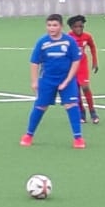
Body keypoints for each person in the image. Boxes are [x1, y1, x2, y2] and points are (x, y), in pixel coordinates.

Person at [22, 13, 84, 148]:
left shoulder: (69, 41)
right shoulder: (42, 42)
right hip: (47, 80)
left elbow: (76, 61)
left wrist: (67, 80)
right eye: (49, 25)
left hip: (67, 79)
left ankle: (78, 138)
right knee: (40, 106)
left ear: (61, 26)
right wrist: (34, 81)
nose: (51, 28)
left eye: (55, 25)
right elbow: (34, 62)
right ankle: (28, 135)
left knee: (71, 105)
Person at [68, 15, 100, 124]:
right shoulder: (68, 37)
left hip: (82, 65)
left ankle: (93, 112)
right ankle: (82, 112)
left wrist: (95, 61)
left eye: (81, 26)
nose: (79, 29)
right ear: (71, 27)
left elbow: (92, 47)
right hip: (72, 66)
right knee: (76, 90)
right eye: (76, 27)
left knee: (85, 87)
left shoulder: (87, 36)